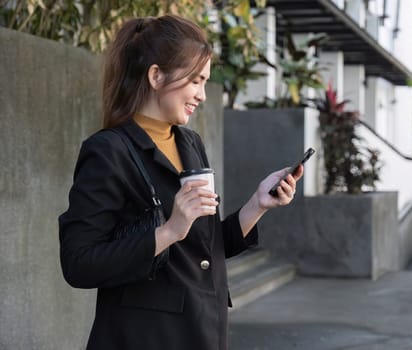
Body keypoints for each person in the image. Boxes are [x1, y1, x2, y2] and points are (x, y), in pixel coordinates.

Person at [58, 14, 303, 350]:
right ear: (156, 76)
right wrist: (169, 230)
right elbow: (79, 264)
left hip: (204, 329)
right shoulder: (108, 151)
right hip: (146, 337)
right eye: (195, 80)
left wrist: (258, 204)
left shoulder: (189, 143)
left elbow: (204, 248)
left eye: (205, 82)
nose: (202, 94)